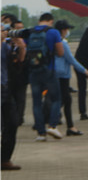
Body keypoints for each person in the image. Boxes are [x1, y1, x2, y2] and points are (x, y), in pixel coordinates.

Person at [53, 20, 88, 136]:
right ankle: (65, 126)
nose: (68, 32)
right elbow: (72, 60)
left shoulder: (52, 41)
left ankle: (62, 124)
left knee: (60, 99)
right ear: (63, 30)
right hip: (62, 74)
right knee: (65, 100)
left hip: (53, 73)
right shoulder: (63, 43)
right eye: (67, 29)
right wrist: (86, 72)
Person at [27, 13, 65, 141]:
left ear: (39, 21)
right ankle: (52, 126)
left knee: (36, 102)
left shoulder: (29, 32)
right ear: (51, 21)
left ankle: (40, 133)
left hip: (34, 71)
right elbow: (60, 53)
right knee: (56, 99)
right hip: (49, 70)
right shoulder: (53, 32)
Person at [2, 25, 26, 169]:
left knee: (12, 122)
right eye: (2, 30)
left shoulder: (5, 47)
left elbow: (19, 61)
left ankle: (4, 158)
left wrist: (21, 46)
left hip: (5, 88)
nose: (5, 32)